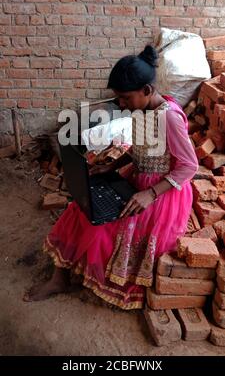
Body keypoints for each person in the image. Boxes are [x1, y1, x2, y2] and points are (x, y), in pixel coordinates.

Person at [24, 45, 198, 309]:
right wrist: (114, 165)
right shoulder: (143, 109)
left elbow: (189, 166)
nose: (121, 104)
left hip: (161, 192)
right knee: (80, 208)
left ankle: (82, 272)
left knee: (102, 226)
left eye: (125, 97)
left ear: (147, 90)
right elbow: (141, 147)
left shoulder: (170, 117)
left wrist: (150, 194)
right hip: (138, 178)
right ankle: (59, 278)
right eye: (119, 98)